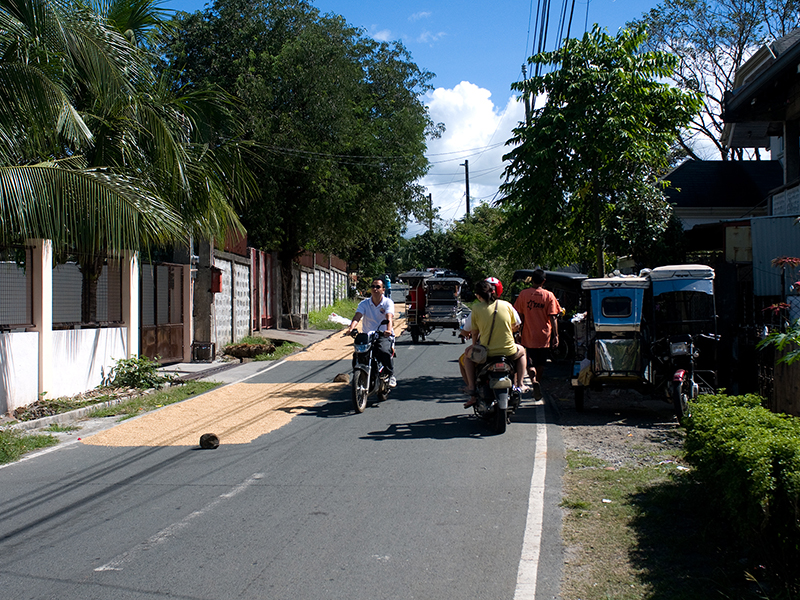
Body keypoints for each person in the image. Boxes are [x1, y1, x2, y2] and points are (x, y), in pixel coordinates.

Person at [463, 279, 526, 408]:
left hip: (486, 353)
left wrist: (475, 347)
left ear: (478, 295)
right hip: (509, 351)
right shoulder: (507, 305)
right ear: (493, 292)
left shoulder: (476, 308)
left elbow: (474, 333)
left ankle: (471, 387)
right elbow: (515, 326)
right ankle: (520, 384)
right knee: (523, 351)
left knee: (467, 358)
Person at [513, 269, 562, 400]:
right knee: (541, 364)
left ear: (532, 280)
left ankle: (532, 379)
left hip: (528, 336)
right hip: (544, 336)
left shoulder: (523, 294)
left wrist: (517, 332)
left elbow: (519, 316)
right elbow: (553, 318)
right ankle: (537, 382)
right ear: (544, 281)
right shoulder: (549, 296)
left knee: (529, 363)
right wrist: (556, 336)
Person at [343, 278, 397, 387]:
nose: (375, 289)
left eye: (378, 287)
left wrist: (388, 330)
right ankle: (357, 377)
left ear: (383, 290)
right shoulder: (364, 303)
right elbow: (357, 316)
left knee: (384, 351)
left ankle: (390, 375)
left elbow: (389, 317)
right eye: (373, 287)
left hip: (383, 334)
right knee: (357, 354)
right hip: (367, 335)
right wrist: (351, 328)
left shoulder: (387, 302)